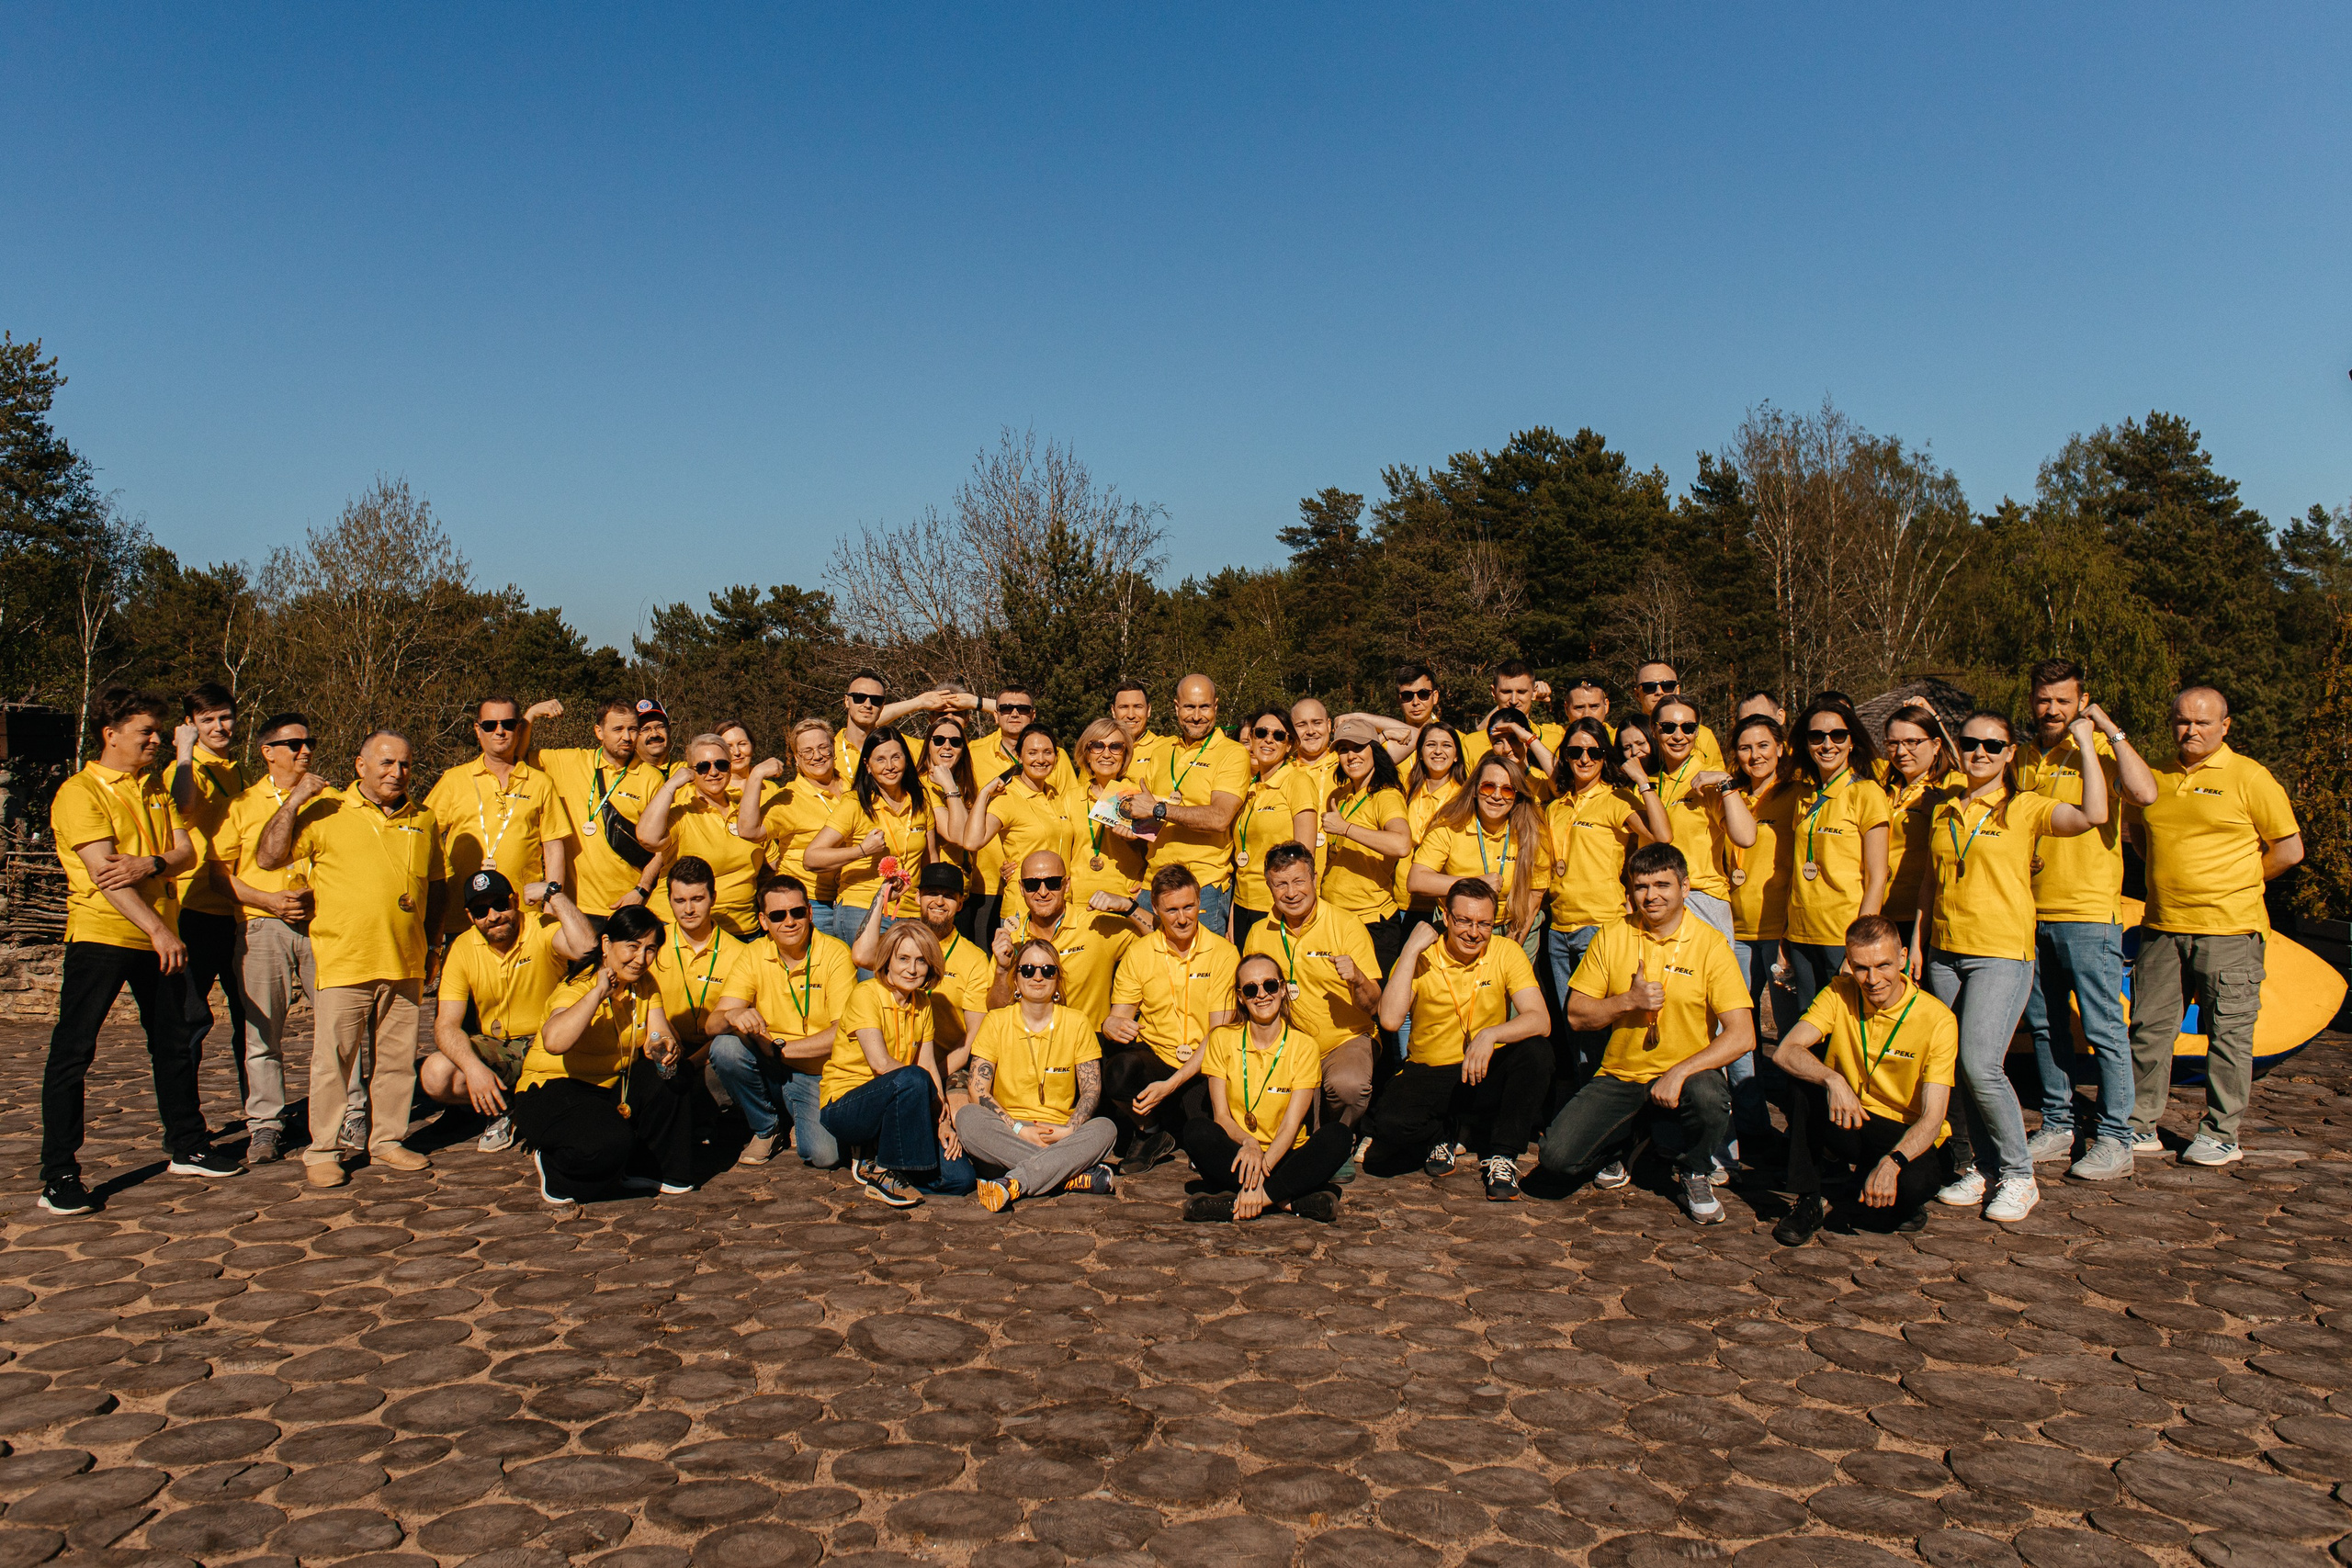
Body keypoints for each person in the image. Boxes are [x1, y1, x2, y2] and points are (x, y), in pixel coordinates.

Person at [39, 688, 235, 1215]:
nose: (156, 740)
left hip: (157, 935)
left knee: (173, 1043)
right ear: (110, 734)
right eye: (145, 731)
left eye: (156, 731)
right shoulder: (81, 792)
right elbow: (107, 875)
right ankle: (58, 1174)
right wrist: (159, 929)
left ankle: (187, 1144)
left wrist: (150, 864)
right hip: (104, 936)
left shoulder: (154, 787)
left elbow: (184, 850)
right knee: (74, 1052)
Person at [1914, 710, 2109, 1224]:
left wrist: (2088, 744)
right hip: (1945, 953)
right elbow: (1930, 883)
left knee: (1982, 1064)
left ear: (2009, 753)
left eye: (1993, 746)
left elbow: (2093, 815)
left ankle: (2019, 1175)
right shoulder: (1946, 808)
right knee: (1954, 1068)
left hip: (2001, 952)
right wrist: (1918, 941)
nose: (1980, 753)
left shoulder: (2025, 808)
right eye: (1971, 744)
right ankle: (1981, 1166)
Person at [255, 729, 447, 1190]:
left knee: (398, 1062)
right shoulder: (326, 811)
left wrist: (434, 944)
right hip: (345, 959)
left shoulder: (424, 818)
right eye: (384, 763)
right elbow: (268, 857)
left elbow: (436, 886)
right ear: (360, 766)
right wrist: (294, 800)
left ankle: (386, 1140)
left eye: (403, 764)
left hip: (405, 961)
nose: (395, 773)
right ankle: (322, 1149)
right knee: (333, 1062)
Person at [2125, 686, 2303, 1167]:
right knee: (2148, 1030)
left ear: (2225, 726)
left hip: (2230, 930)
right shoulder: (2153, 774)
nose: (2192, 730)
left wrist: (2235, 883)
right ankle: (2139, 1125)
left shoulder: (2250, 776)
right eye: (2183, 720)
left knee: (2228, 1035)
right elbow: (2137, 833)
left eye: (2204, 722)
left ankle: (2221, 1133)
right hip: (2162, 925)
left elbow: (2288, 850)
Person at [1539, 843, 1756, 1225]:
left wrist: (1679, 1072)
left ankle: (1695, 1168)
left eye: (1662, 885)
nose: (1651, 896)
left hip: (1686, 1076)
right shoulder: (1611, 935)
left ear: (1685, 888)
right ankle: (1629, 1141)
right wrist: (1627, 1001)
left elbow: (1742, 1036)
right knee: (1556, 1161)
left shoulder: (1710, 944)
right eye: (1641, 886)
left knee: (1708, 1094)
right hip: (1621, 1073)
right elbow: (1576, 1015)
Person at [2013, 662, 2159, 1180]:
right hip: (2029, 913)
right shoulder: (2023, 757)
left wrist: (2108, 729)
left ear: (2082, 702)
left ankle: (2117, 1137)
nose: (2051, 709)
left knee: (2102, 1028)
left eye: (2063, 700)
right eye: (2043, 699)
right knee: (2047, 1027)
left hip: (2089, 914)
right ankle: (2058, 1123)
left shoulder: (2099, 753)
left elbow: (2144, 794)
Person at [1770, 915, 1958, 1245]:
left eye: (1883, 965)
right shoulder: (1839, 992)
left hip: (1904, 1131)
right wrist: (1832, 1080)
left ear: (1902, 958)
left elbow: (1933, 1118)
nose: (1872, 980)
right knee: (1803, 1082)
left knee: (1905, 1194)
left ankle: (1884, 1186)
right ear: (1849, 963)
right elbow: (1786, 1051)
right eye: (1860, 968)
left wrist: (1894, 1162)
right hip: (1852, 1114)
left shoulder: (1938, 1019)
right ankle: (1808, 1199)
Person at [1366, 880, 1552, 1199]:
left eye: (1484, 924)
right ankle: (1446, 1130)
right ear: (1447, 918)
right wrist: (1410, 949)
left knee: (1537, 1051)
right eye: (1464, 921)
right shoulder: (1423, 954)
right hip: (1430, 1070)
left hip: (1482, 1068)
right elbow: (1390, 1019)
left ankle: (1503, 1154)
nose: (1473, 932)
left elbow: (1541, 1020)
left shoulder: (1506, 951)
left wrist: (1491, 1034)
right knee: (1388, 1130)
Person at [512, 904, 695, 1205]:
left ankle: (647, 1168)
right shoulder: (576, 986)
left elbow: (657, 1031)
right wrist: (597, 994)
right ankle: (557, 1169)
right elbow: (555, 1042)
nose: (641, 959)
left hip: (611, 1087)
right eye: (633, 947)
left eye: (650, 949)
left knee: (676, 1074)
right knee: (607, 1143)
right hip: (553, 1089)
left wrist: (663, 1047)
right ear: (607, 945)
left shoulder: (644, 984)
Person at [214, 711, 330, 1166]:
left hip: (321, 925)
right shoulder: (240, 805)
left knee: (337, 1027)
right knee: (262, 1032)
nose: (305, 751)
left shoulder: (334, 800)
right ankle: (265, 1125)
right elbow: (218, 874)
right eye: (294, 744)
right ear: (268, 752)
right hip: (261, 926)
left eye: (309, 743)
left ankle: (344, 1114)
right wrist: (268, 902)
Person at [424, 869, 598, 1152]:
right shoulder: (463, 947)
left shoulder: (540, 925)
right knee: (435, 1073)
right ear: (470, 917)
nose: (493, 916)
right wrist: (473, 1069)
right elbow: (446, 1025)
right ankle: (506, 1106)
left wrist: (555, 895)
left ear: (514, 901)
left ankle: (517, 1108)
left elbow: (588, 948)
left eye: (501, 905)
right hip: (498, 1048)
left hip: (545, 1043)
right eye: (481, 911)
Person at [1180, 953, 1350, 1223]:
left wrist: (1261, 1172)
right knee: (1196, 1131)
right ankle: (1287, 1201)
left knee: (1338, 1137)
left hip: (1284, 1155)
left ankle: (1249, 1201)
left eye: (1270, 985)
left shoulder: (1304, 1046)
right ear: (1240, 997)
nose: (1262, 995)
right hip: (1240, 1154)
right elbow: (1221, 1117)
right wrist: (1249, 1143)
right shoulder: (1221, 1039)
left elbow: (1290, 1128)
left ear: (1283, 989)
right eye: (1251, 989)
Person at [819, 921, 975, 1207]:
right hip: (847, 1105)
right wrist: (929, 1096)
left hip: (903, 1101)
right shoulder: (866, 994)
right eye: (903, 959)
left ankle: (889, 1161)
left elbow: (928, 1063)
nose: (912, 969)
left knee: (960, 1179)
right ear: (887, 960)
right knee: (912, 1077)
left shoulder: (923, 1003)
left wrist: (943, 1120)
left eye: (921, 961)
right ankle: (882, 1172)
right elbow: (880, 1064)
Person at [709, 875, 859, 1171]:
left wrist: (781, 1049)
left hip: (818, 1072)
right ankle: (766, 1128)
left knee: (824, 1156)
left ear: (810, 913)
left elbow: (843, 1032)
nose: (789, 921)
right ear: (764, 921)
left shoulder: (836, 954)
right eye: (778, 915)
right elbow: (712, 1025)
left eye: (797, 912)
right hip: (769, 1063)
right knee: (725, 1047)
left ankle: (794, 1114)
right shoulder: (752, 954)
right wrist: (732, 1015)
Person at [958, 939, 1120, 1210]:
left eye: (1047, 970)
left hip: (1060, 1132)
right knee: (967, 1117)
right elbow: (978, 1091)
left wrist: (1069, 1130)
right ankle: (1069, 1175)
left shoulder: (1077, 1021)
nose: (1037, 976)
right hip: (1008, 1132)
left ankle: (1014, 1182)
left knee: (1107, 1128)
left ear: (1057, 979)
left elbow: (1091, 1090)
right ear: (1016, 979)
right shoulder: (996, 1021)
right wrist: (1020, 1130)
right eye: (1028, 969)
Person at [1244, 842, 1382, 1138]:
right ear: (1269, 887)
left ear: (1315, 879)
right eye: (1281, 884)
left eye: (1298, 881)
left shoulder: (1347, 925)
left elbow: (1374, 1006)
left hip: (1343, 1040)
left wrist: (1357, 978)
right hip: (1286, 1044)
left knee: (1349, 1087)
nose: (1291, 893)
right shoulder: (1258, 933)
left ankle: (1339, 1137)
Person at [1105, 864, 1238, 1166]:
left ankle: (1175, 1129)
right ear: (1154, 908)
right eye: (1172, 910)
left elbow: (1218, 1036)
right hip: (1159, 1056)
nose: (1182, 918)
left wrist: (1171, 1085)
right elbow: (1120, 1017)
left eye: (1189, 907)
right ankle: (1149, 1131)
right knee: (1116, 1071)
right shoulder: (1139, 953)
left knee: (1200, 1136)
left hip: (1203, 1064)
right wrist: (1111, 1024)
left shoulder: (1223, 954)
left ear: (1199, 902)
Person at [424, 695, 572, 943]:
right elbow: (423, 834)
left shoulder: (540, 783)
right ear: (477, 730)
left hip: (523, 917)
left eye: (508, 724)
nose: (500, 731)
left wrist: (550, 906)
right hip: (466, 917)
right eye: (490, 725)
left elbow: (554, 848)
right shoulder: (454, 780)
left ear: (519, 729)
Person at [164, 682, 254, 1086]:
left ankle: (260, 1114)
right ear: (190, 724)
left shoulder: (239, 770)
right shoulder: (183, 769)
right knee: (190, 1021)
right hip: (194, 908)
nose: (219, 727)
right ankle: (186, 1124)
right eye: (207, 720)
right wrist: (183, 751)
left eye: (225, 717)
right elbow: (182, 807)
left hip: (236, 909)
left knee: (250, 1022)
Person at [1782, 696, 1892, 1017]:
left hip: (1842, 934)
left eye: (1837, 736)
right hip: (1803, 933)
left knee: (1847, 1026)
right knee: (1810, 1026)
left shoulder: (1866, 793)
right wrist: (1786, 934)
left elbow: (1877, 876)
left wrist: (1861, 943)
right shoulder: (1806, 797)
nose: (1827, 744)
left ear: (1851, 740)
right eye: (1817, 737)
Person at [1722, 714, 1800, 1157]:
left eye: (1764, 745)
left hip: (1780, 930)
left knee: (1789, 1036)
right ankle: (1752, 1126)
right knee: (1739, 1030)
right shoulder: (1728, 795)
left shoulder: (1797, 795)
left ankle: (1801, 1131)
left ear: (1781, 747)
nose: (1755, 755)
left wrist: (1792, 929)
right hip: (1734, 928)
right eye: (1746, 748)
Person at [1119, 673, 1250, 935]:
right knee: (1154, 971)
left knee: (1198, 971)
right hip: (1153, 884)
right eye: (1190, 707)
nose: (1197, 716)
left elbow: (1219, 817)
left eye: (1205, 707)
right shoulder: (1162, 751)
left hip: (1203, 887)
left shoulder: (1233, 754)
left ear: (1216, 707)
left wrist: (1159, 809)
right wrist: (1129, 831)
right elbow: (1149, 823)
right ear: (1177, 707)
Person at [524, 698, 668, 926]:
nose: (627, 737)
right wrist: (530, 715)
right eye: (618, 729)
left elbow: (666, 846)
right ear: (599, 732)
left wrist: (641, 890)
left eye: (632, 729)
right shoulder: (571, 762)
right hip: (574, 908)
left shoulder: (652, 779)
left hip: (626, 909)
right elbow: (517, 755)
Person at [643, 854, 747, 1138]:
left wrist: (691, 1063)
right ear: (670, 900)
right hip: (664, 1045)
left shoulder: (739, 953)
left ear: (713, 897)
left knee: (726, 1057)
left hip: (710, 1054)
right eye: (679, 901)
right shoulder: (653, 946)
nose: (688, 909)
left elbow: (735, 1028)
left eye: (697, 899)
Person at [1411, 752, 1553, 953]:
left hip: (1514, 926)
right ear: (1475, 790)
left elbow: (1534, 895)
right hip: (1458, 927)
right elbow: (1416, 880)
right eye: (1488, 787)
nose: (1496, 796)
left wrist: (1511, 946)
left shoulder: (1533, 833)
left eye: (1507, 790)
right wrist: (1475, 883)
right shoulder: (1449, 826)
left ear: (1517, 796)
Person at [635, 734, 768, 936]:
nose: (713, 772)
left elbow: (773, 864)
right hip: (679, 929)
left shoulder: (746, 812)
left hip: (742, 932)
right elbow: (647, 838)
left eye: (721, 764)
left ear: (731, 767)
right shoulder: (682, 814)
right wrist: (671, 784)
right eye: (703, 767)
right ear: (691, 772)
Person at [1645, 696, 1753, 945]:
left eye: (1688, 728)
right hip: (1656, 900)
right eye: (1668, 727)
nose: (1678, 736)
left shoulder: (1709, 781)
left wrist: (1726, 782)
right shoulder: (1649, 784)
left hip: (1701, 898)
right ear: (1654, 729)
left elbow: (1746, 837)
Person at [806, 725, 933, 934]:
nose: (890, 766)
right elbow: (812, 858)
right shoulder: (854, 803)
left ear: (906, 760)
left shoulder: (920, 800)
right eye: (880, 759)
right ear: (867, 765)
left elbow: (930, 859)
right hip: (862, 907)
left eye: (896, 757)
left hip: (911, 912)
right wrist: (862, 850)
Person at [984, 850, 1137, 1021]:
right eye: (1032, 885)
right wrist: (1002, 970)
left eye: (1053, 883)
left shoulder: (1096, 926)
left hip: (1085, 1042)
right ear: (1021, 888)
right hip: (1028, 1043)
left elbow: (1163, 936)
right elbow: (996, 1010)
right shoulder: (1011, 938)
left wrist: (1128, 907)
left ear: (1067, 884)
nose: (1042, 892)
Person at [1317, 716, 1414, 977]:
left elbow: (1402, 843)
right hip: (1335, 917)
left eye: (1358, 747)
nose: (1351, 756)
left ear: (1375, 749)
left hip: (1372, 921)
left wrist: (1346, 828)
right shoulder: (1340, 796)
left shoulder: (1386, 795)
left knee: (1372, 1004)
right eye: (1344, 750)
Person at [965, 726, 1079, 922]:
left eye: (1047, 752)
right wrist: (984, 794)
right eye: (1032, 753)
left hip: (1061, 908)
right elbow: (972, 842)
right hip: (1022, 910)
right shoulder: (1008, 797)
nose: (1041, 759)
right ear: (1019, 757)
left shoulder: (1056, 796)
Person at [749, 718, 850, 940]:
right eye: (807, 751)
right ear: (796, 758)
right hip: (809, 903)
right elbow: (750, 831)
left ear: (833, 750)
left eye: (823, 747)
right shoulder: (789, 797)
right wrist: (756, 776)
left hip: (851, 899)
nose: (817, 756)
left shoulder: (853, 785)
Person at [1229, 708, 1321, 947]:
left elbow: (1304, 857)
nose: (1269, 740)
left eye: (1279, 735)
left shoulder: (1298, 782)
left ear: (1289, 745)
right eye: (1261, 733)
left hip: (1279, 904)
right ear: (1251, 740)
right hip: (1242, 904)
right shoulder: (1248, 786)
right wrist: (1232, 914)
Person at [1880, 704, 1955, 947]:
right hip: (1881, 914)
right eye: (1893, 743)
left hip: (1922, 917)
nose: (1901, 751)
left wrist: (1939, 811)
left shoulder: (1953, 786)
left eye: (1912, 742)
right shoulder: (1884, 790)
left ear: (1936, 745)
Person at [1068, 718, 1151, 918]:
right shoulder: (1069, 798)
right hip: (1079, 905)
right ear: (1087, 755)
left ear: (1125, 755)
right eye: (1097, 746)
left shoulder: (1140, 796)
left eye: (1115, 747)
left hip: (1127, 904)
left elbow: (1160, 852)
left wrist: (1149, 884)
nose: (1106, 754)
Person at [913, 712, 981, 936]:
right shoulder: (922, 786)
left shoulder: (965, 784)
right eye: (939, 740)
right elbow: (961, 836)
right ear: (928, 745)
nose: (947, 746)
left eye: (955, 742)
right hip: (937, 897)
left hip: (964, 893)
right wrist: (949, 786)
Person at [1396, 723, 1466, 920]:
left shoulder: (1464, 798)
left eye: (1446, 745)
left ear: (1457, 755)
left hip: (1441, 903)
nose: (1437, 751)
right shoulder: (1405, 788)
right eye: (1430, 745)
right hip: (1399, 898)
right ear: (1419, 752)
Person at [1462, 660, 1566, 766]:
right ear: (1494, 693)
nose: (1513, 700)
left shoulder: (1556, 740)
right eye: (1506, 692)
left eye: (1521, 692)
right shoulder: (1470, 744)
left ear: (1534, 692)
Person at [1631, 661, 1725, 771]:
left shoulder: (1703, 735)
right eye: (1649, 687)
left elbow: (1718, 777)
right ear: (1637, 694)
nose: (1659, 692)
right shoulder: (1623, 737)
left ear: (1677, 690)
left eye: (1667, 686)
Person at [1113, 680, 1166, 776]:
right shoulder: (1098, 750)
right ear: (1113, 711)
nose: (1131, 715)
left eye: (1138, 707)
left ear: (1148, 710)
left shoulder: (1166, 747)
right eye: (1124, 707)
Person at [1291, 698, 1340, 799]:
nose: (1311, 731)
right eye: (1301, 725)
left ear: (1328, 725)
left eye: (1317, 723)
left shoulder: (1346, 763)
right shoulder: (1284, 770)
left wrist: (1354, 716)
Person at [633, 699, 677, 782]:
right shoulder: (623, 774)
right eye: (645, 729)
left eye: (660, 727)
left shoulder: (687, 771)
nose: (654, 734)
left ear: (669, 730)